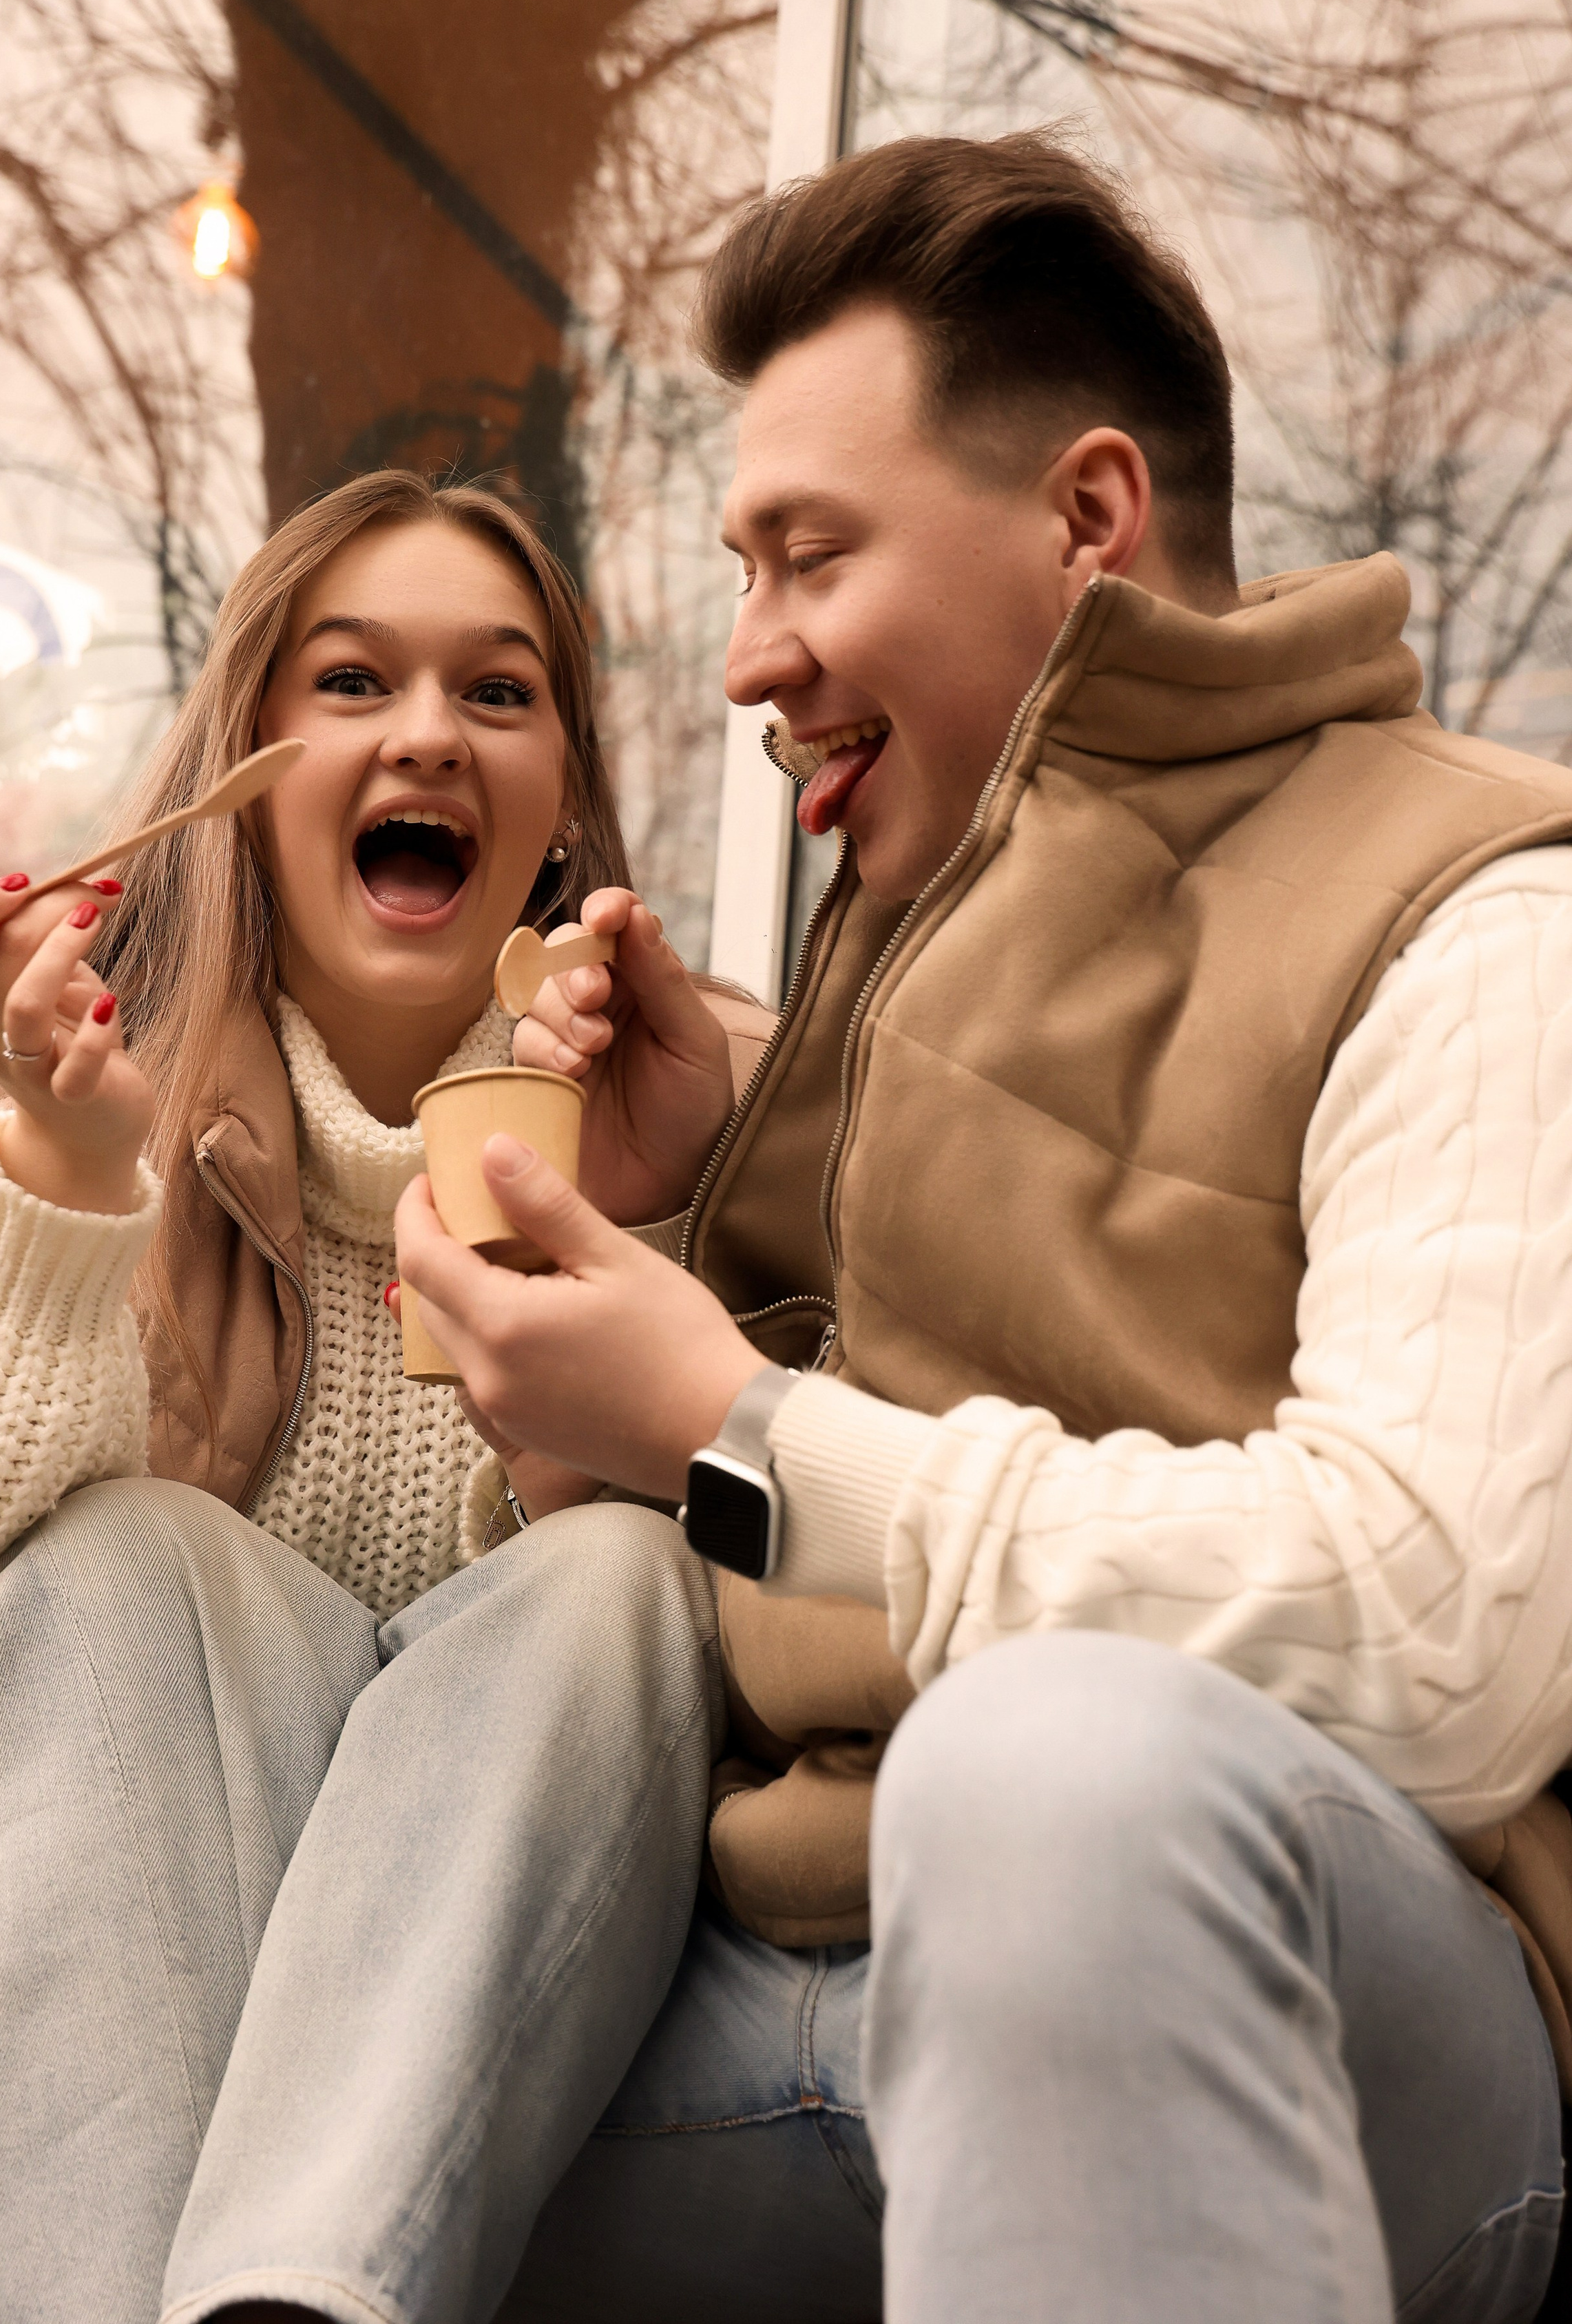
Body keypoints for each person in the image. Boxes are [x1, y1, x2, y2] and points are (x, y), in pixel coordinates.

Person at [388, 135, 1572, 2323]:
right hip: (804, 1979)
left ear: (1088, 520)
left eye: (807, 555)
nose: (749, 661)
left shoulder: (1489, 910)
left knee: (1058, 1764)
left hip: (1362, 2015)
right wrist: (681, 1235)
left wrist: (737, 1421)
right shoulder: (888, 943)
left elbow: (1443, 1639)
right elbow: (708, 1556)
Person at [0, 467, 764, 2321]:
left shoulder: (726, 1103)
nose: (429, 733)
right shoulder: (50, 1082)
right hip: (47, 1950)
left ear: (564, 795)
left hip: (477, 2006)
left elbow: (797, 1587)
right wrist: (72, 1179)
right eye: (351, 684)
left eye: (499, 694)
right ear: (240, 764)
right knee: (120, 1560)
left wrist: (617, 1249)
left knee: (617, 1580)